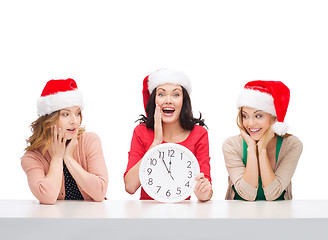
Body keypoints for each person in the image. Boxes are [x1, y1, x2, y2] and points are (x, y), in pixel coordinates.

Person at [124, 69, 212, 202]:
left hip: (183, 212)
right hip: (146, 212)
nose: (168, 100)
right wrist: (156, 143)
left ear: (184, 101)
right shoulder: (141, 132)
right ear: (154, 100)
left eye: (176, 95)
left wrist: (203, 193)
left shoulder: (199, 134)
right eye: (161, 94)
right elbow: (130, 186)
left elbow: (206, 190)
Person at [21, 78, 108, 204]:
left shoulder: (90, 141)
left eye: (77, 113)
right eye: (65, 114)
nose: (74, 121)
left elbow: (100, 192)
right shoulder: (32, 158)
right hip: (56, 221)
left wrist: (68, 158)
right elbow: (48, 198)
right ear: (49, 119)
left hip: (92, 218)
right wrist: (57, 158)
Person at [223, 80, 303, 201]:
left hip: (278, 216)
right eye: (245, 116)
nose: (250, 123)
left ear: (274, 117)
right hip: (239, 216)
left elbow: (273, 194)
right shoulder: (231, 145)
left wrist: (261, 149)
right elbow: (247, 194)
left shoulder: (291, 145)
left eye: (258, 116)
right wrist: (251, 147)